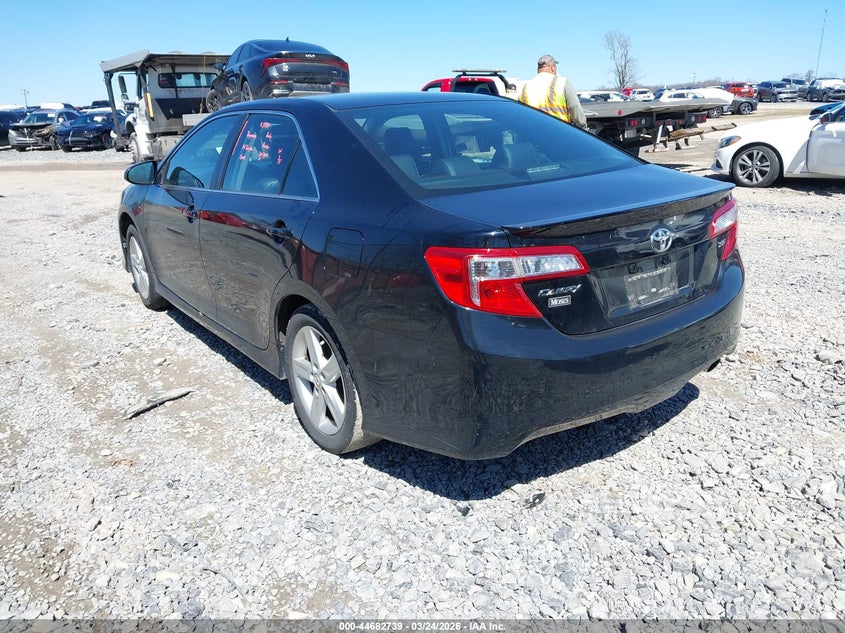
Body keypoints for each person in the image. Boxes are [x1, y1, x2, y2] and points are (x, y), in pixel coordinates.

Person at [518, 54, 588, 129]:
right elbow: (575, 107)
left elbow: (520, 114)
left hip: (534, 134)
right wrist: (583, 128)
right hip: (559, 132)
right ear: (553, 67)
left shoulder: (526, 87)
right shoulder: (562, 82)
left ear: (538, 69)